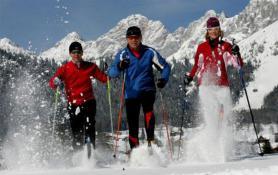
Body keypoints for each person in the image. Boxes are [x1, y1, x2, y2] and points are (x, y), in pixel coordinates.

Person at [183, 17, 243, 161]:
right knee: (211, 118)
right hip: (206, 88)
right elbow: (197, 65)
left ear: (219, 30)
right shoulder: (202, 47)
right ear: (207, 31)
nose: (214, 32)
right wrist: (190, 77)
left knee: (224, 117)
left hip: (222, 87)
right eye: (211, 29)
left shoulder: (226, 46)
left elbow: (238, 65)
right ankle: (211, 149)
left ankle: (223, 149)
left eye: (216, 29)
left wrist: (236, 53)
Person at [108, 26, 171, 150]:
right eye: (131, 38)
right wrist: (120, 66)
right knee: (133, 124)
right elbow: (111, 73)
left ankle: (150, 145)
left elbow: (165, 67)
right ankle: (135, 152)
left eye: (136, 37)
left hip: (148, 89)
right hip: (131, 93)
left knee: (148, 114)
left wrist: (163, 79)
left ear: (141, 38)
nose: (134, 40)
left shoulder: (149, 52)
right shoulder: (123, 54)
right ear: (127, 39)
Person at [49, 41, 108, 151]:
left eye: (79, 52)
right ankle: (78, 154)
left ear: (82, 53)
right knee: (77, 131)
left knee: (90, 127)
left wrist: (108, 73)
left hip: (89, 102)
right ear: (70, 54)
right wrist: (55, 81)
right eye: (74, 52)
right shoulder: (65, 68)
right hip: (73, 103)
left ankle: (90, 153)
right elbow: (52, 83)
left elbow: (104, 79)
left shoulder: (90, 67)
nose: (76, 55)